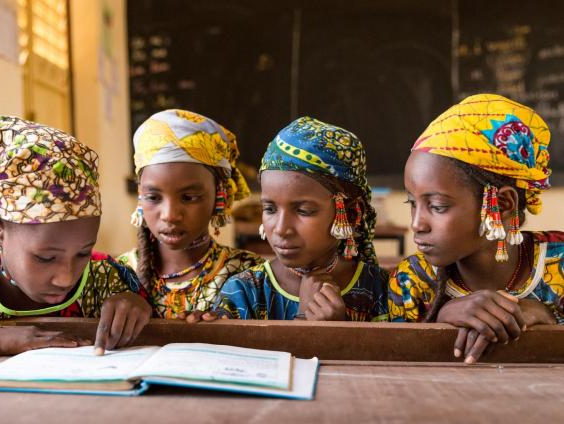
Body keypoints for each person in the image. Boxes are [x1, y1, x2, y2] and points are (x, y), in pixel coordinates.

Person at [0, 114, 151, 357]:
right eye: (46, 258)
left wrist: (138, 305)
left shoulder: (109, 279)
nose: (66, 278)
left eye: (83, 252)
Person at [389, 93, 562, 364]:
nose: (416, 224)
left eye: (436, 206)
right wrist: (440, 320)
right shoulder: (412, 282)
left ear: (503, 204)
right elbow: (391, 369)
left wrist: (547, 317)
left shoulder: (559, 264)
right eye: (412, 203)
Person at [207, 117, 389, 321]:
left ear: (351, 214)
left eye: (303, 211)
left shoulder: (382, 291)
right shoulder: (244, 292)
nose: (281, 229)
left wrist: (340, 330)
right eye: (270, 208)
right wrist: (303, 320)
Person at [117, 109, 262, 320]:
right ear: (140, 196)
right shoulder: (118, 275)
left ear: (219, 195)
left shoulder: (249, 273)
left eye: (189, 197)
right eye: (154, 198)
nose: (170, 215)